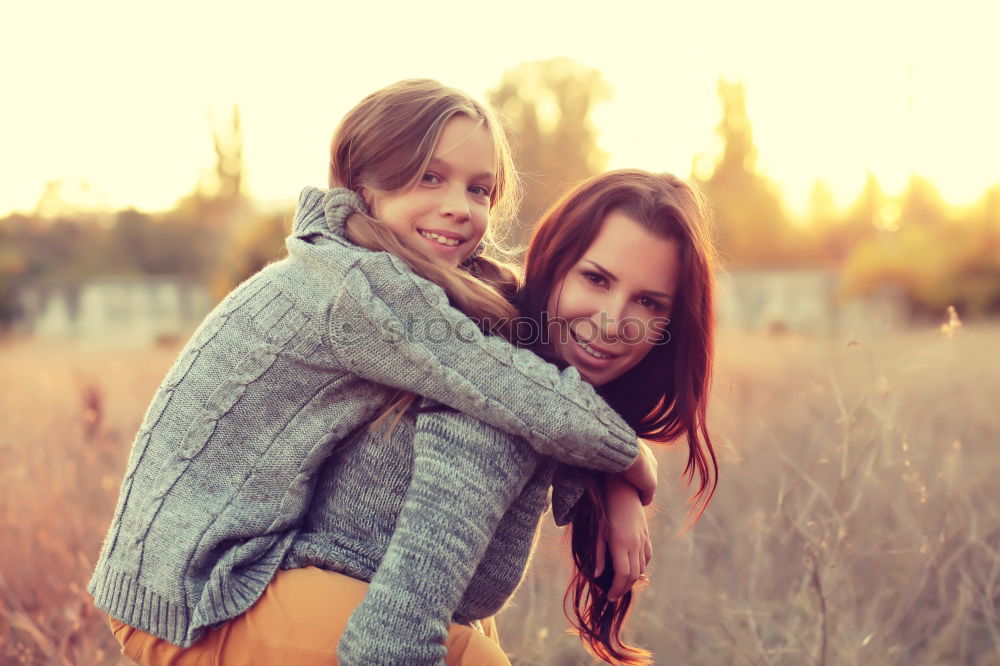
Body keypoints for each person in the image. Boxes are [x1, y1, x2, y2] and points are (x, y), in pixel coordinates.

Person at [91, 80, 656, 664]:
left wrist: (612, 482)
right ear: (363, 184)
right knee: (472, 659)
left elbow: (521, 341)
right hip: (191, 593)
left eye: (479, 188)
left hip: (256, 565)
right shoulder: (353, 288)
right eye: (429, 177)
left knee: (469, 635)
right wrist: (631, 461)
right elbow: (509, 387)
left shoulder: (402, 276)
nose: (459, 206)